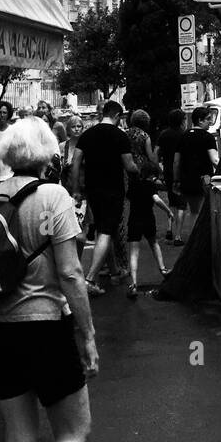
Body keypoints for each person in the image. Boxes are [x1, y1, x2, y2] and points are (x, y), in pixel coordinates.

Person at [0, 118, 97, 442]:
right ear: (47, 152)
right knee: (72, 433)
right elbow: (71, 274)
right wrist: (88, 334)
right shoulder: (53, 196)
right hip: (45, 327)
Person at [71, 99, 136, 295]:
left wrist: (76, 188)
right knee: (106, 232)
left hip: (92, 189)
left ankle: (115, 272)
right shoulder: (120, 135)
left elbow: (76, 162)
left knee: (103, 229)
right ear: (117, 116)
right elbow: (129, 165)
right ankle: (90, 278)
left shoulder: (87, 134)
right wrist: (141, 171)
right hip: (113, 189)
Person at [125, 110, 171, 297]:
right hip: (144, 171)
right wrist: (158, 172)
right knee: (154, 242)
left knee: (133, 249)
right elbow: (151, 156)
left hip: (131, 174)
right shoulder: (145, 136)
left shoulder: (126, 134)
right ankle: (163, 269)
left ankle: (133, 281)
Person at [173, 107, 220, 238]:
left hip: (186, 178)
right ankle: (199, 238)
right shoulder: (208, 137)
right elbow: (214, 159)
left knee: (192, 210)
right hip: (205, 179)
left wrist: (176, 180)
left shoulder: (183, 136)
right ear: (200, 120)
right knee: (204, 211)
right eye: (208, 119)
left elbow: (176, 161)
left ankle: (187, 237)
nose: (210, 122)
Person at [157, 107, 187, 244]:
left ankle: (169, 229)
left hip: (167, 171)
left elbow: (155, 152)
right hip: (180, 173)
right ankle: (178, 236)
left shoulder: (163, 135)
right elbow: (178, 160)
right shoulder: (183, 135)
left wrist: (159, 168)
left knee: (172, 201)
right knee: (181, 204)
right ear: (181, 121)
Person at [60, 114, 85, 195]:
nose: (76, 129)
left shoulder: (87, 145)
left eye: (79, 126)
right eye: (73, 127)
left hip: (85, 190)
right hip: (67, 190)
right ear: (68, 129)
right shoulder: (62, 146)